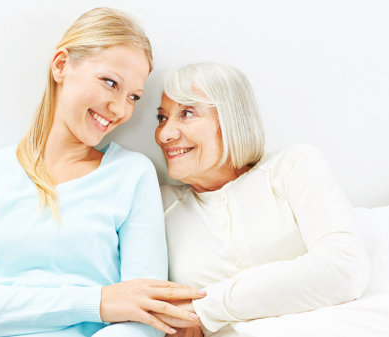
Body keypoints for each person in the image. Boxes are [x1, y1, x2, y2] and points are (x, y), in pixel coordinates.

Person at [0, 8, 205, 337]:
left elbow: (143, 318)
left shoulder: (132, 175)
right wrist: (98, 302)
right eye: (110, 83)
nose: (120, 109)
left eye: (133, 96)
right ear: (61, 65)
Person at [154, 62, 371, 337]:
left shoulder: (292, 167)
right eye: (162, 118)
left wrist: (204, 308)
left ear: (232, 119)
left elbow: (344, 270)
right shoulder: (159, 206)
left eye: (186, 113)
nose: (164, 134)